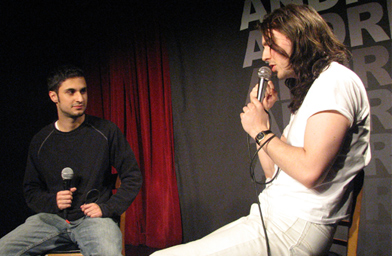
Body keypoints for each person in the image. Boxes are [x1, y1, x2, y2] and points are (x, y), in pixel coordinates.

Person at [151, 3, 370, 256]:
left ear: (299, 36)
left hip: (296, 226)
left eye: (270, 44)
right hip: (270, 216)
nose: (265, 55)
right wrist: (263, 119)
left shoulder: (335, 81)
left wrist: (260, 131)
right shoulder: (314, 90)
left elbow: (310, 171)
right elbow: (272, 172)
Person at [0, 65, 143, 255]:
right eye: (71, 92)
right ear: (54, 97)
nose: (80, 98)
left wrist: (107, 208)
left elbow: (132, 175)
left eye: (83, 91)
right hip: (51, 220)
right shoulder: (41, 141)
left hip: (94, 221)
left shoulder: (106, 131)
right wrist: (53, 200)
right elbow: (31, 190)